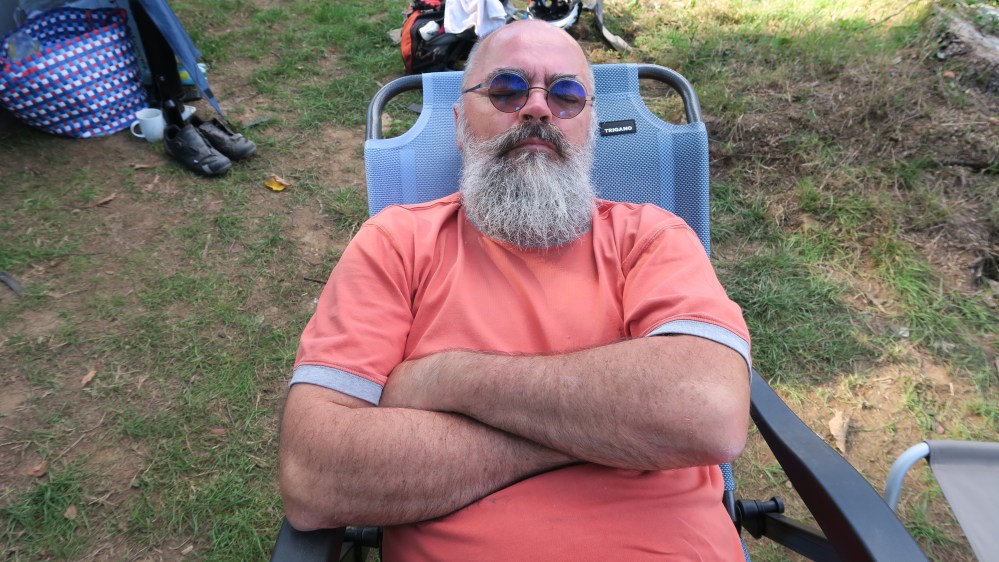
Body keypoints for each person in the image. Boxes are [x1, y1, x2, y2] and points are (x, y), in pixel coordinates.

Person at [279, 19, 752, 560]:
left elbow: (707, 409)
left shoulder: (649, 237)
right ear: (459, 123)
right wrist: (612, 429)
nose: (538, 109)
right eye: (506, 89)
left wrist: (447, 379)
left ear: (590, 127)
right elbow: (314, 476)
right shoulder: (396, 243)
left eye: (567, 95)